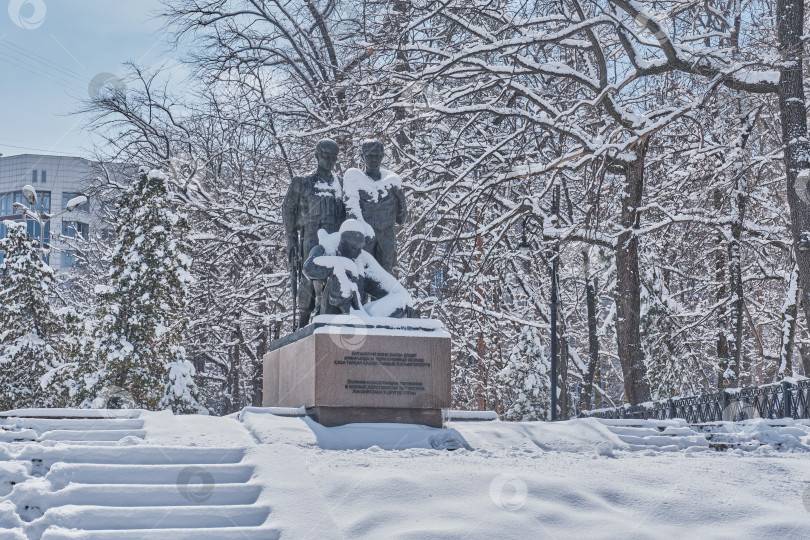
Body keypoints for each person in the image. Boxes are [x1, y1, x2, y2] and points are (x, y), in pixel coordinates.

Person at [282, 139, 344, 328]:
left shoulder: (340, 184)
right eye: (325, 156)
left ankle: (328, 312)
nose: (329, 160)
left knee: (334, 275)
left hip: (334, 236)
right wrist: (291, 238)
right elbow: (288, 208)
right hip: (311, 235)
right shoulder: (303, 182)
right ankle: (303, 319)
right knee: (309, 276)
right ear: (317, 156)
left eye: (333, 157)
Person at [302, 220, 413, 318]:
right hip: (328, 314)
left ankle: (367, 325)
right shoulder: (324, 249)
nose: (359, 252)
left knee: (402, 301)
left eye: (361, 247)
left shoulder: (362, 258)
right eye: (354, 248)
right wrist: (342, 263)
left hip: (360, 314)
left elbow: (389, 287)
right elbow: (308, 268)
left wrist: (404, 300)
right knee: (341, 268)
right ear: (342, 244)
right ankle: (352, 316)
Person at [342, 139, 408, 274]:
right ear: (363, 157)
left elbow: (402, 220)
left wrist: (401, 199)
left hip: (386, 241)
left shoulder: (391, 184)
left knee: (385, 283)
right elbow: (351, 213)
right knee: (362, 281)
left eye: (377, 156)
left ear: (382, 156)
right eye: (370, 156)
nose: (374, 160)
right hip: (364, 241)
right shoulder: (355, 180)